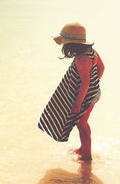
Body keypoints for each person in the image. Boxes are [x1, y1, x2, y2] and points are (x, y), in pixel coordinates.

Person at [38, 22, 105, 161]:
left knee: (82, 124)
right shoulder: (91, 52)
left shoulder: (81, 59)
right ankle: (83, 148)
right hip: (92, 92)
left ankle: (87, 156)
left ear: (71, 45)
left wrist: (78, 103)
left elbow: (85, 82)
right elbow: (102, 68)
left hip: (87, 96)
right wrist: (95, 84)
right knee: (83, 123)